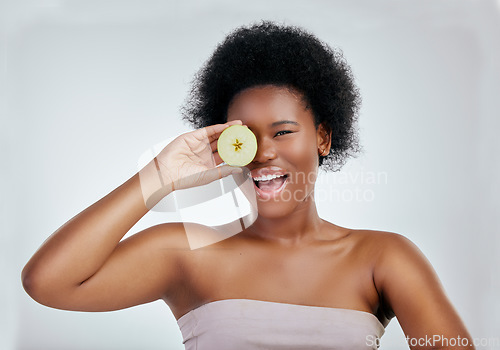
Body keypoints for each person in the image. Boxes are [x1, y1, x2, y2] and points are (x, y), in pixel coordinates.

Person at [22, 22, 475, 349]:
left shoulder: (382, 257)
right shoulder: (187, 255)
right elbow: (48, 283)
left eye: (282, 132)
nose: (262, 153)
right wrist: (160, 176)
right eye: (246, 138)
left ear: (323, 137)